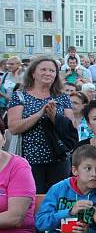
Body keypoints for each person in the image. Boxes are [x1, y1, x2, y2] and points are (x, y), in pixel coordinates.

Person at [7, 56, 76, 192]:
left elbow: (71, 126)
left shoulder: (62, 97)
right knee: (32, 202)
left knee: (56, 201)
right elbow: (14, 128)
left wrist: (54, 117)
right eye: (43, 69)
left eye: (52, 71)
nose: (48, 73)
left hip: (59, 159)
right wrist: (39, 114)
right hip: (29, 161)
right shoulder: (20, 96)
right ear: (33, 73)